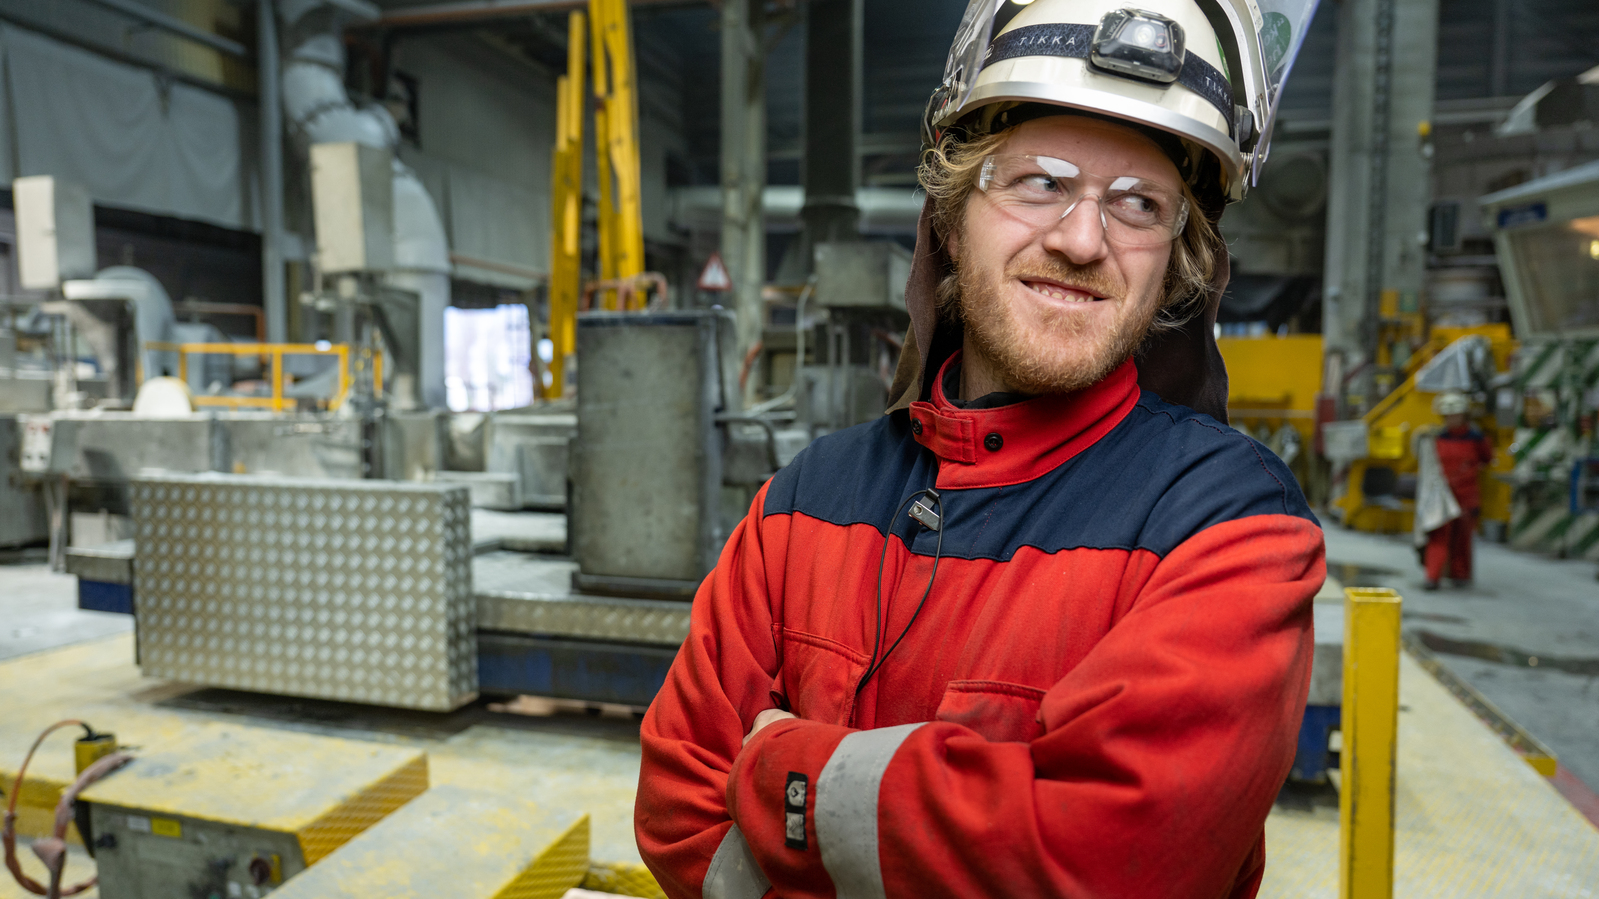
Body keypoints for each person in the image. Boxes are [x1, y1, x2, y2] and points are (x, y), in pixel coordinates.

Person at [635, 1, 1325, 896]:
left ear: (1177, 261)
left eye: (1139, 203)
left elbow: (1111, 861)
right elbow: (676, 810)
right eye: (1040, 181)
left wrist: (782, 773)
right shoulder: (800, 503)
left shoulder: (1231, 526)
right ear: (951, 217)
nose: (1082, 240)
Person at [1422, 391, 1494, 589]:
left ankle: (1460, 576)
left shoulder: (1476, 439)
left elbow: (1487, 460)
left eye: (1455, 415)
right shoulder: (1436, 438)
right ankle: (1432, 577)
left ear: (1464, 415)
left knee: (1462, 540)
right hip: (1441, 497)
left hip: (1466, 498)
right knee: (1438, 536)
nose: (1451, 419)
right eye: (1447, 416)